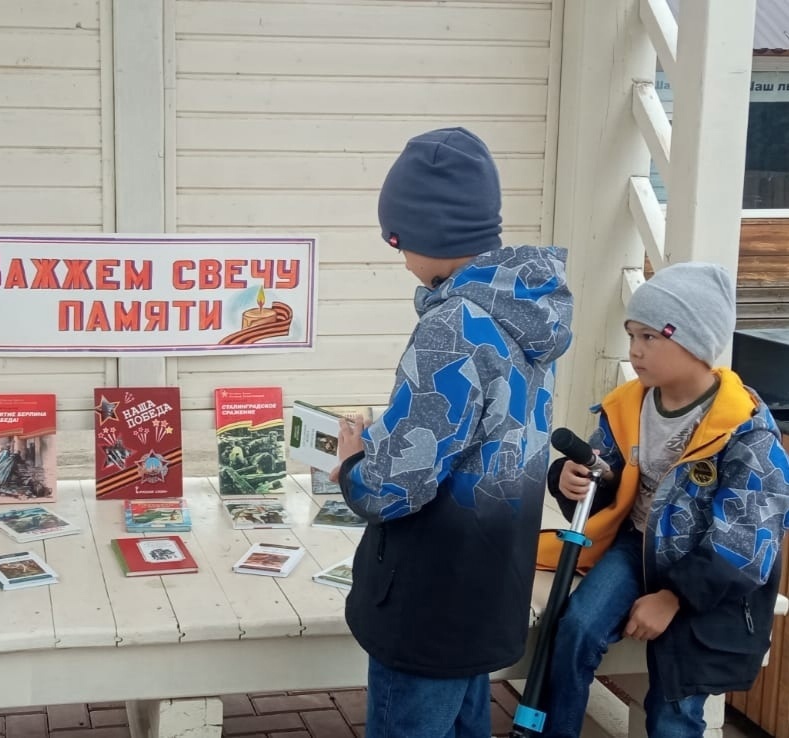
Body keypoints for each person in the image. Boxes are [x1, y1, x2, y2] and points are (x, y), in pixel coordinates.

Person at [331, 127, 574, 738]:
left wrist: (354, 464)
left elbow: (393, 488)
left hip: (428, 600)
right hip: (491, 585)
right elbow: (487, 435)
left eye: (398, 240)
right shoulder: (526, 315)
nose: (400, 258)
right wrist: (397, 429)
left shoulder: (451, 326)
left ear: (429, 232)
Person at [536, 262, 789, 738]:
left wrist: (674, 597)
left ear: (696, 341)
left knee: (675, 701)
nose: (635, 349)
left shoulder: (745, 429)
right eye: (632, 335)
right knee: (576, 630)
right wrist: (574, 479)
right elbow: (606, 472)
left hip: (710, 577)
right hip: (637, 548)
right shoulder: (628, 404)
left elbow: (747, 541)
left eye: (651, 337)